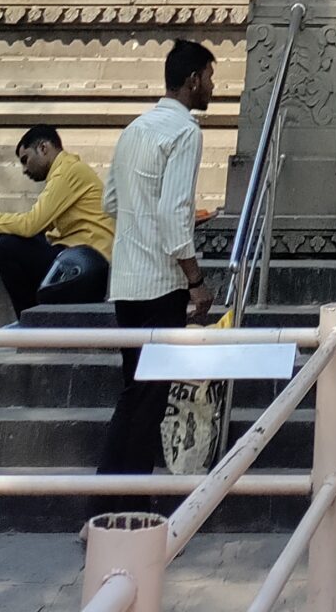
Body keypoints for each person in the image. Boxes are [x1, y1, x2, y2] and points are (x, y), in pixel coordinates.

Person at [94, 39, 217, 479]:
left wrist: (166, 222)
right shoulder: (186, 132)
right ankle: (122, 505)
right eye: (209, 77)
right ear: (192, 80)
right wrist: (196, 279)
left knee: (136, 394)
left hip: (126, 280)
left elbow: (112, 201)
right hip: (161, 284)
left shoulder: (135, 129)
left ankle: (114, 503)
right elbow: (170, 213)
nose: (211, 87)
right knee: (148, 401)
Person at [0, 125, 112, 317]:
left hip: (86, 264)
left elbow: (30, 224)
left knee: (7, 247)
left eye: (25, 160)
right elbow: (39, 226)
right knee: (12, 240)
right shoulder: (67, 171)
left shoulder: (67, 172)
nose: (25, 170)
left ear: (43, 148)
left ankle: (29, 321)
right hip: (79, 258)